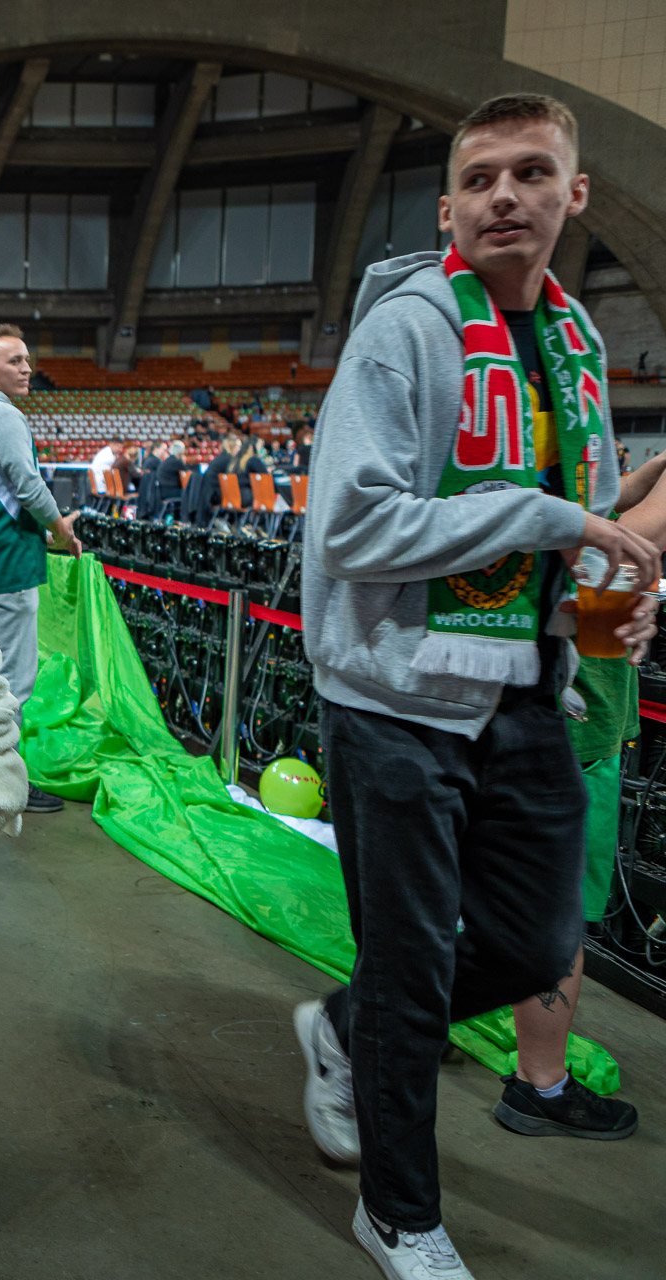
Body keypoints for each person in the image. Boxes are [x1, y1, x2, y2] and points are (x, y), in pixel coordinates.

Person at [295, 93, 660, 1280]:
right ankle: (399, 1212)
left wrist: (612, 593)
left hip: (527, 688)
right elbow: (353, 526)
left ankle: (343, 1025)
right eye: (482, 177)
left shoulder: (578, 341)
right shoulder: (405, 331)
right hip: (395, 698)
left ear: (575, 194)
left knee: (537, 939)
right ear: (448, 207)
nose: (507, 195)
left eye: (533, 173)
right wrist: (553, 518)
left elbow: (581, 523)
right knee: (409, 968)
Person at [0, 324, 80, 815]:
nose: (27, 370)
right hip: (10, 564)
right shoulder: (2, 415)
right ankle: (3, 781)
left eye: (27, 360)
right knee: (11, 681)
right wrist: (60, 529)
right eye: (15, 361)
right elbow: (26, 487)